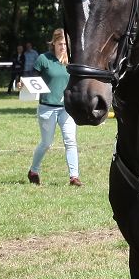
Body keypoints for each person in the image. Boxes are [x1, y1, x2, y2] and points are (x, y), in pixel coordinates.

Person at [27, 28, 80, 187]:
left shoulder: (72, 60)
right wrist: (23, 84)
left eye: (65, 44)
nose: (63, 47)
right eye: (60, 43)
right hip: (46, 108)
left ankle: (74, 177)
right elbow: (32, 79)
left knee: (70, 141)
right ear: (54, 43)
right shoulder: (44, 59)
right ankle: (33, 171)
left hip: (67, 109)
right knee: (46, 143)